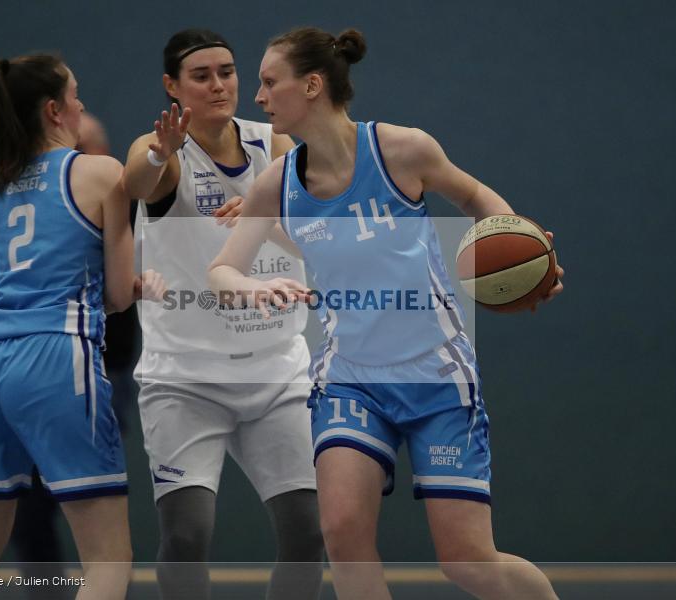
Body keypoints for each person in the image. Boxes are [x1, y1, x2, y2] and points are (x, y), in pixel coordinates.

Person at [209, 27, 565, 600]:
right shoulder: (276, 184)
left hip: (435, 375)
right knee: (343, 532)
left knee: (467, 562)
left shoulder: (402, 149)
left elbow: (475, 198)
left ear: (314, 84)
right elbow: (222, 270)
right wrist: (250, 287)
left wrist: (527, 248)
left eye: (270, 81)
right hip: (352, 379)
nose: (258, 96)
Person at [0, 53, 145, 600]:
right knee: (109, 563)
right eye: (75, 94)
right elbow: (116, 297)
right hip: (56, 358)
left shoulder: (2, 185)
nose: (82, 103)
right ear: (53, 109)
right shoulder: (100, 171)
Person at [124, 29, 323, 600]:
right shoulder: (160, 147)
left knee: (308, 534)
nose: (218, 85)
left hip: (276, 371)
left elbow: (313, 234)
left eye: (227, 72)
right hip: (186, 377)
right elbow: (138, 179)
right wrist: (162, 151)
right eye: (201, 76)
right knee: (187, 538)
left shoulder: (275, 144)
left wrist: (264, 219)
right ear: (171, 86)